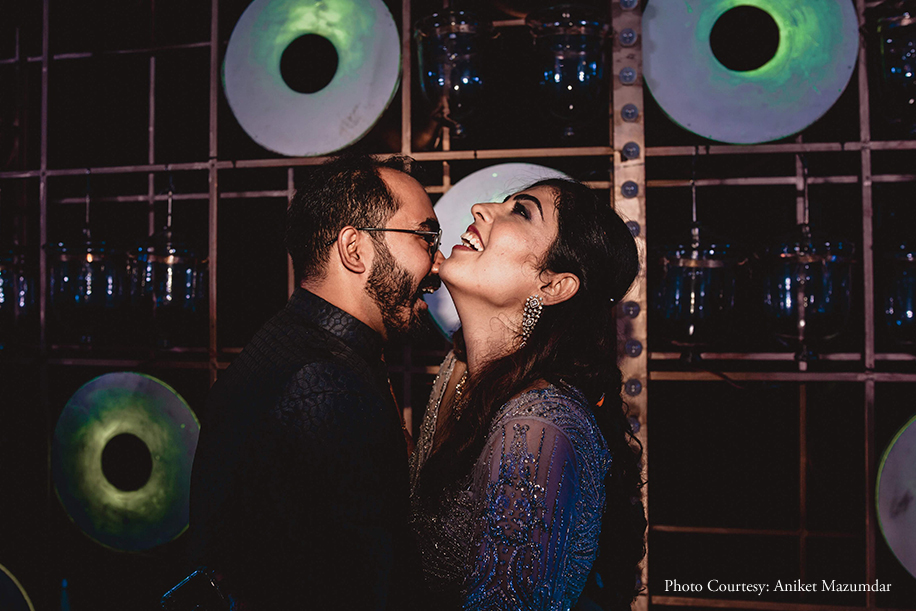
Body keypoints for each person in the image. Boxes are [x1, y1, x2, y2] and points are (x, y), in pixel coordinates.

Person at [186, 153, 443, 609]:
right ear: (354, 249)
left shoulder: (301, 342)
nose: (438, 263)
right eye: (426, 237)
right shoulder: (325, 386)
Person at [409, 178, 646, 611]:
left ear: (553, 286)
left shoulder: (538, 429)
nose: (480, 208)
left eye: (520, 211)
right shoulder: (456, 368)